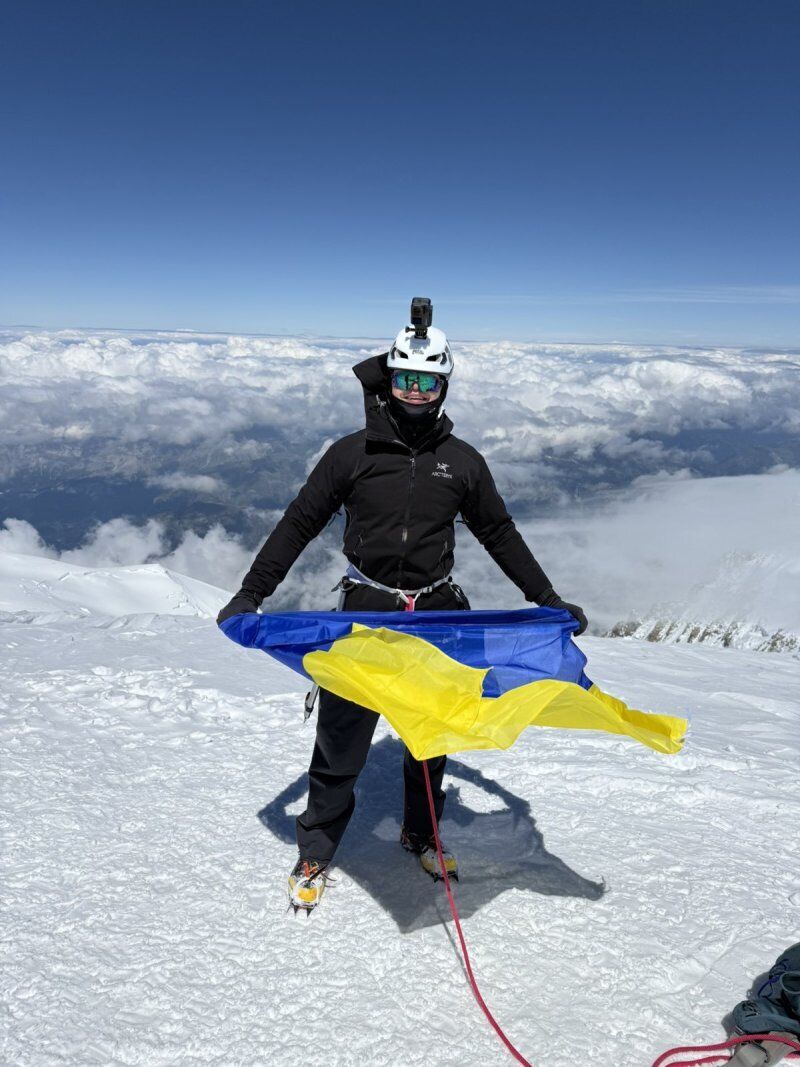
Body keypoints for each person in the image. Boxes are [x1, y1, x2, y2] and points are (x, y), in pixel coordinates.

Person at [217, 300, 587, 911]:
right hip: (365, 609)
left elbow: (499, 533)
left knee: (428, 735)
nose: (415, 392)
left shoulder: (462, 462)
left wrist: (545, 600)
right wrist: (251, 593)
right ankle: (317, 850)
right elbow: (299, 523)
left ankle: (422, 832)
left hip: (439, 613)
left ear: (444, 384)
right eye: (405, 379)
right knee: (341, 740)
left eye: (428, 381)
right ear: (389, 380)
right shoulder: (351, 454)